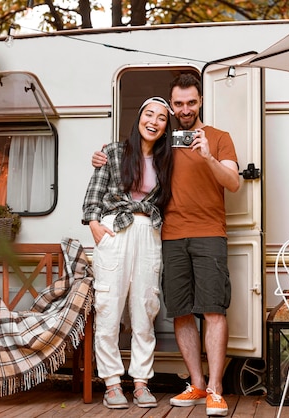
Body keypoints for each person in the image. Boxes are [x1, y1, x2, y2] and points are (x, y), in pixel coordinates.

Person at [92, 74, 240, 416]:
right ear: (172, 106)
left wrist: (207, 157)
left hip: (209, 233)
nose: (184, 109)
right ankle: (197, 384)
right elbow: (134, 157)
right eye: (178, 104)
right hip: (168, 236)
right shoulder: (165, 143)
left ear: (200, 101)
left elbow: (233, 183)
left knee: (214, 309)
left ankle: (216, 390)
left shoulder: (219, 138)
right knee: (181, 311)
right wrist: (102, 157)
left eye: (191, 102)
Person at [82, 97, 174, 409]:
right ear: (139, 118)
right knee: (109, 306)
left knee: (145, 307)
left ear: (165, 127)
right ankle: (111, 384)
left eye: (161, 118)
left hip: (148, 231)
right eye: (149, 114)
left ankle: (141, 382)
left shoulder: (166, 159)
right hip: (115, 229)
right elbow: (95, 190)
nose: (154, 121)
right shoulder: (113, 152)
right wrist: (93, 222)